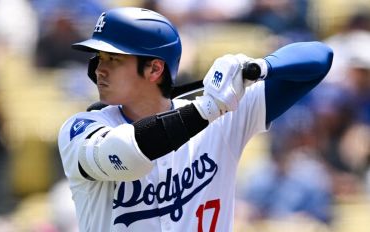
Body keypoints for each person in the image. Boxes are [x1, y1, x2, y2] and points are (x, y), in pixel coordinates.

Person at [57, 7, 333, 232]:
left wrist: (259, 67)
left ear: (154, 68)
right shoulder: (82, 129)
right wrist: (207, 109)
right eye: (99, 58)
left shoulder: (223, 113)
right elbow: (130, 153)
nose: (99, 69)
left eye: (113, 59)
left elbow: (320, 59)